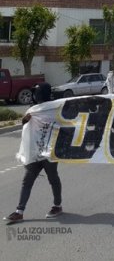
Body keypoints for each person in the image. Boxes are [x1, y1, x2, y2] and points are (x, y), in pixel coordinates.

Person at [3, 82, 63, 224]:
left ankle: (57, 205)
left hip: (49, 152)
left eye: (37, 92)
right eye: (35, 92)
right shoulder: (33, 109)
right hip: (34, 151)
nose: (35, 95)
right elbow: (25, 126)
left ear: (44, 93)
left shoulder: (56, 108)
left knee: (53, 178)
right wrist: (25, 119)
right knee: (27, 181)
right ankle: (19, 211)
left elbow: (63, 125)